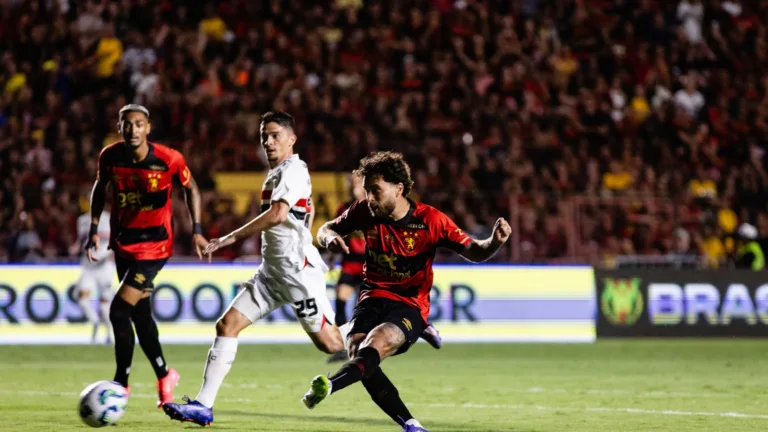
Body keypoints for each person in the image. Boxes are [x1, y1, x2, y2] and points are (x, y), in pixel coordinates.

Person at [301, 151, 511, 432]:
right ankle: (411, 424)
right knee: (358, 353)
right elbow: (326, 229)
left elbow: (474, 251)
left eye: (375, 190)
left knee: (378, 342)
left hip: (409, 303)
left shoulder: (431, 220)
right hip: (372, 296)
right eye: (366, 190)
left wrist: (494, 242)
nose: (369, 197)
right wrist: (330, 239)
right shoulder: (363, 211)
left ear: (398, 188)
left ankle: (330, 386)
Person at [162, 111, 344, 426]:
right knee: (227, 325)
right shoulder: (278, 173)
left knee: (332, 344)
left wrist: (230, 238)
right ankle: (204, 405)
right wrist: (304, 230)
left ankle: (386, 325)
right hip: (271, 272)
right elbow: (305, 209)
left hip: (296, 274)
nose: (268, 142)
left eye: (275, 136)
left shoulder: (292, 169)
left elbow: (278, 214)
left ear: (291, 139)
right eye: (264, 137)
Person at [86, 104, 210, 406]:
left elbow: (192, 188)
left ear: (148, 128)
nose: (133, 130)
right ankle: (165, 375)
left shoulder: (168, 159)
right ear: (120, 128)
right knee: (140, 315)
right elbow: (100, 188)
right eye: (127, 124)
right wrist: (93, 228)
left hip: (155, 246)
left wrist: (196, 229)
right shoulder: (110, 157)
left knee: (118, 311)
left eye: (139, 124)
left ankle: (120, 383)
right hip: (123, 243)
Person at [74, 208, 115, 345]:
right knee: (82, 300)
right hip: (88, 266)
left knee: (104, 305)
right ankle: (95, 321)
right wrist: (75, 247)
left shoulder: (109, 218)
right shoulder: (82, 220)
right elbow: (81, 240)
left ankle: (110, 335)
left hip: (104, 266)